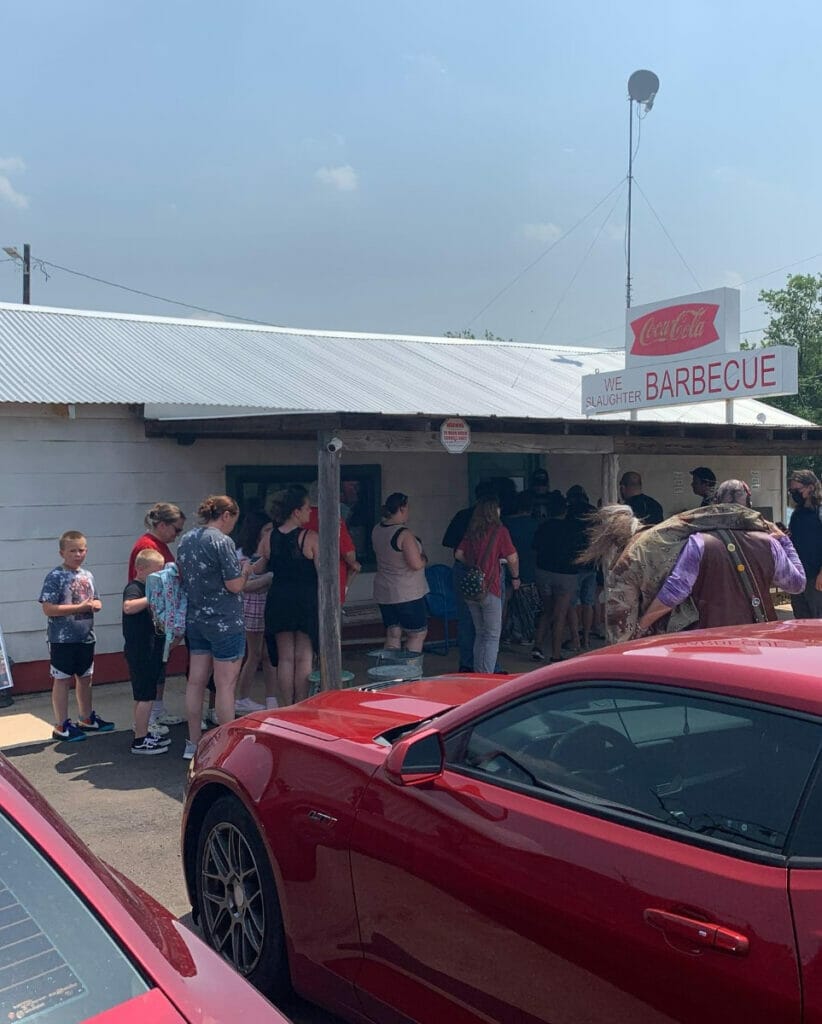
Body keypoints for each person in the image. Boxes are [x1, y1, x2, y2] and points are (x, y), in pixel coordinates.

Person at [633, 480, 805, 636]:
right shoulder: (770, 543)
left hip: (712, 637)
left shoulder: (699, 542)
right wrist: (785, 540)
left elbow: (675, 591)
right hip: (758, 637)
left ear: (715, 504)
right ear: (749, 505)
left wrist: (641, 625)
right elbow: (797, 585)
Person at [177, 496, 254, 760]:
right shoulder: (222, 541)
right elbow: (234, 585)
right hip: (225, 620)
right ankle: (226, 745)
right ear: (226, 515)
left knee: (195, 681)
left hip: (196, 618)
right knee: (225, 685)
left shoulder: (186, 539)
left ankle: (192, 742)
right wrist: (246, 571)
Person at [38, 530, 114, 742]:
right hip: (62, 638)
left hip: (85, 636)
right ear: (62, 552)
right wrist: (78, 607)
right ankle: (61, 724)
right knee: (62, 679)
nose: (77, 554)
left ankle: (87, 717)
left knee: (85, 677)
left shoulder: (87, 575)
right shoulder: (55, 576)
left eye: (81, 550)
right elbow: (48, 609)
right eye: (72, 551)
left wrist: (95, 605)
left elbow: (96, 599)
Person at [127, 502, 186, 732]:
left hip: (160, 615)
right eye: (176, 529)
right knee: (151, 669)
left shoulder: (159, 544)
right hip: (152, 617)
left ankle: (157, 711)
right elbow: (147, 586)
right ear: (162, 524)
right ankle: (147, 720)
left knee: (160, 666)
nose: (177, 535)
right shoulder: (147, 546)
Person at [258, 488, 319, 706]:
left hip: (278, 597)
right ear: (296, 511)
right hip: (305, 598)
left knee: (284, 657)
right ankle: (301, 703)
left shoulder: (269, 537)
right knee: (304, 655)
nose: (310, 512)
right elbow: (324, 573)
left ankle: (287, 704)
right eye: (306, 507)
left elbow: (259, 567)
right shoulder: (310, 537)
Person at [455, 499, 520, 674]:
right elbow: (512, 558)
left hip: (472, 588)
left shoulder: (471, 531)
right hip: (491, 587)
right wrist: (515, 577)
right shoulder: (500, 531)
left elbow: (459, 554)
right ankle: (487, 676)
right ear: (494, 511)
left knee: (480, 633)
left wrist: (474, 565)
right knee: (492, 636)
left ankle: (479, 672)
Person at [442, 481, 499, 671]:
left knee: (468, 620)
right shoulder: (496, 527)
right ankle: (489, 666)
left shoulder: (463, 517)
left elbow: (450, 543)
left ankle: (467, 664)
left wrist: (471, 560)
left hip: (464, 571)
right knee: (489, 628)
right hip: (490, 574)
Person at [123, 548, 172, 755]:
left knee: (144, 694)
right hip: (140, 651)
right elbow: (128, 607)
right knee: (145, 696)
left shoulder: (148, 587)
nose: (160, 576)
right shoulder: (135, 587)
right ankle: (140, 740)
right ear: (141, 570)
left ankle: (141, 731)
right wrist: (151, 597)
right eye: (157, 571)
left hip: (151, 649)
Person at [532, 491, 585, 662]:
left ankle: (537, 646)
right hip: (565, 574)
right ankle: (555, 654)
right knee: (560, 615)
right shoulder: (572, 528)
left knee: (547, 611)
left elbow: (535, 547)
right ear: (565, 510)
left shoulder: (543, 526)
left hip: (543, 571)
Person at [372, 493, 429, 653]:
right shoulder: (404, 534)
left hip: (384, 591)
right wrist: (424, 557)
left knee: (393, 633)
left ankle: (391, 673)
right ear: (402, 508)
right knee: (416, 634)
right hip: (407, 592)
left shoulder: (377, 529)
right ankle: (409, 674)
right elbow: (416, 564)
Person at [234, 511, 278, 713]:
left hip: (269, 605)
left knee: (270, 654)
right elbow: (245, 586)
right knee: (255, 654)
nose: (271, 533)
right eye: (267, 530)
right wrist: (268, 578)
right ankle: (242, 697)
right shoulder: (242, 554)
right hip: (251, 607)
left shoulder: (269, 552)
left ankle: (272, 698)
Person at [501, 491, 541, 645]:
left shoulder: (505, 523)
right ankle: (524, 634)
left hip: (506, 567)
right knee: (525, 605)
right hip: (528, 568)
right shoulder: (535, 524)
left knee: (506, 603)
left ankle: (503, 634)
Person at [787, 469, 822, 618]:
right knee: (801, 622)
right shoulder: (797, 514)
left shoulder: (819, 512)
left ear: (811, 488)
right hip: (799, 577)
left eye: (797, 490)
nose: (794, 494)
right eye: (791, 490)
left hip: (816, 578)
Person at [566, 485, 597, 649]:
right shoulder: (593, 511)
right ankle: (586, 638)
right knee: (588, 602)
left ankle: (575, 640)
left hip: (574, 563)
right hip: (592, 562)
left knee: (572, 603)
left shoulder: (569, 512)